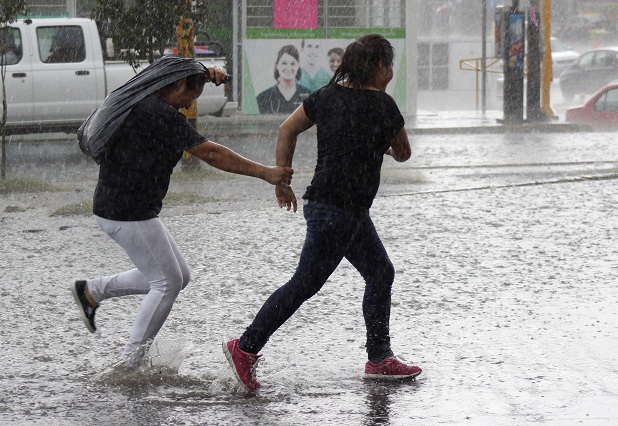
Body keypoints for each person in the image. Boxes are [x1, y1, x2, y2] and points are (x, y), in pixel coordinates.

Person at [224, 34, 422, 391]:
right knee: (305, 283)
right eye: (389, 65)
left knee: (380, 272)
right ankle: (245, 347)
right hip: (339, 210)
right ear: (378, 66)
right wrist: (384, 147)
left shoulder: (325, 97)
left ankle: (379, 358)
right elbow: (404, 153)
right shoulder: (383, 106)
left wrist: (281, 179)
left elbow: (287, 129)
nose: (391, 72)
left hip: (334, 207)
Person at [71, 56, 293, 369]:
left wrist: (203, 72)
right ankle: (129, 364)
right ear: (176, 84)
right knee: (167, 283)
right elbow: (212, 154)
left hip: (127, 208)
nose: (189, 105)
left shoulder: (147, 102)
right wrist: (266, 173)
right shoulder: (158, 115)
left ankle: (91, 291)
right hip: (126, 212)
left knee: (178, 276)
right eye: (190, 95)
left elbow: (172, 66)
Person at [256, 45, 312, 114]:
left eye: (293, 64)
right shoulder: (263, 98)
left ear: (298, 66)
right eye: (284, 63)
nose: (288, 68)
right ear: (277, 66)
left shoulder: (309, 96)